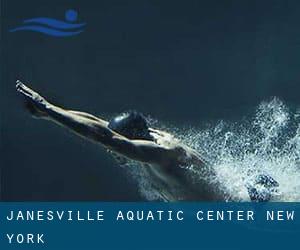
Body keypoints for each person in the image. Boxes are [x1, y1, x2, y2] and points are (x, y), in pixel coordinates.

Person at [15, 80, 278, 201]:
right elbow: (99, 125)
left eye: (115, 146)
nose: (110, 151)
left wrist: (48, 109)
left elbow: (106, 137)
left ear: (132, 140)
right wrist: (51, 113)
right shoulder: (146, 139)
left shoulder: (162, 154)